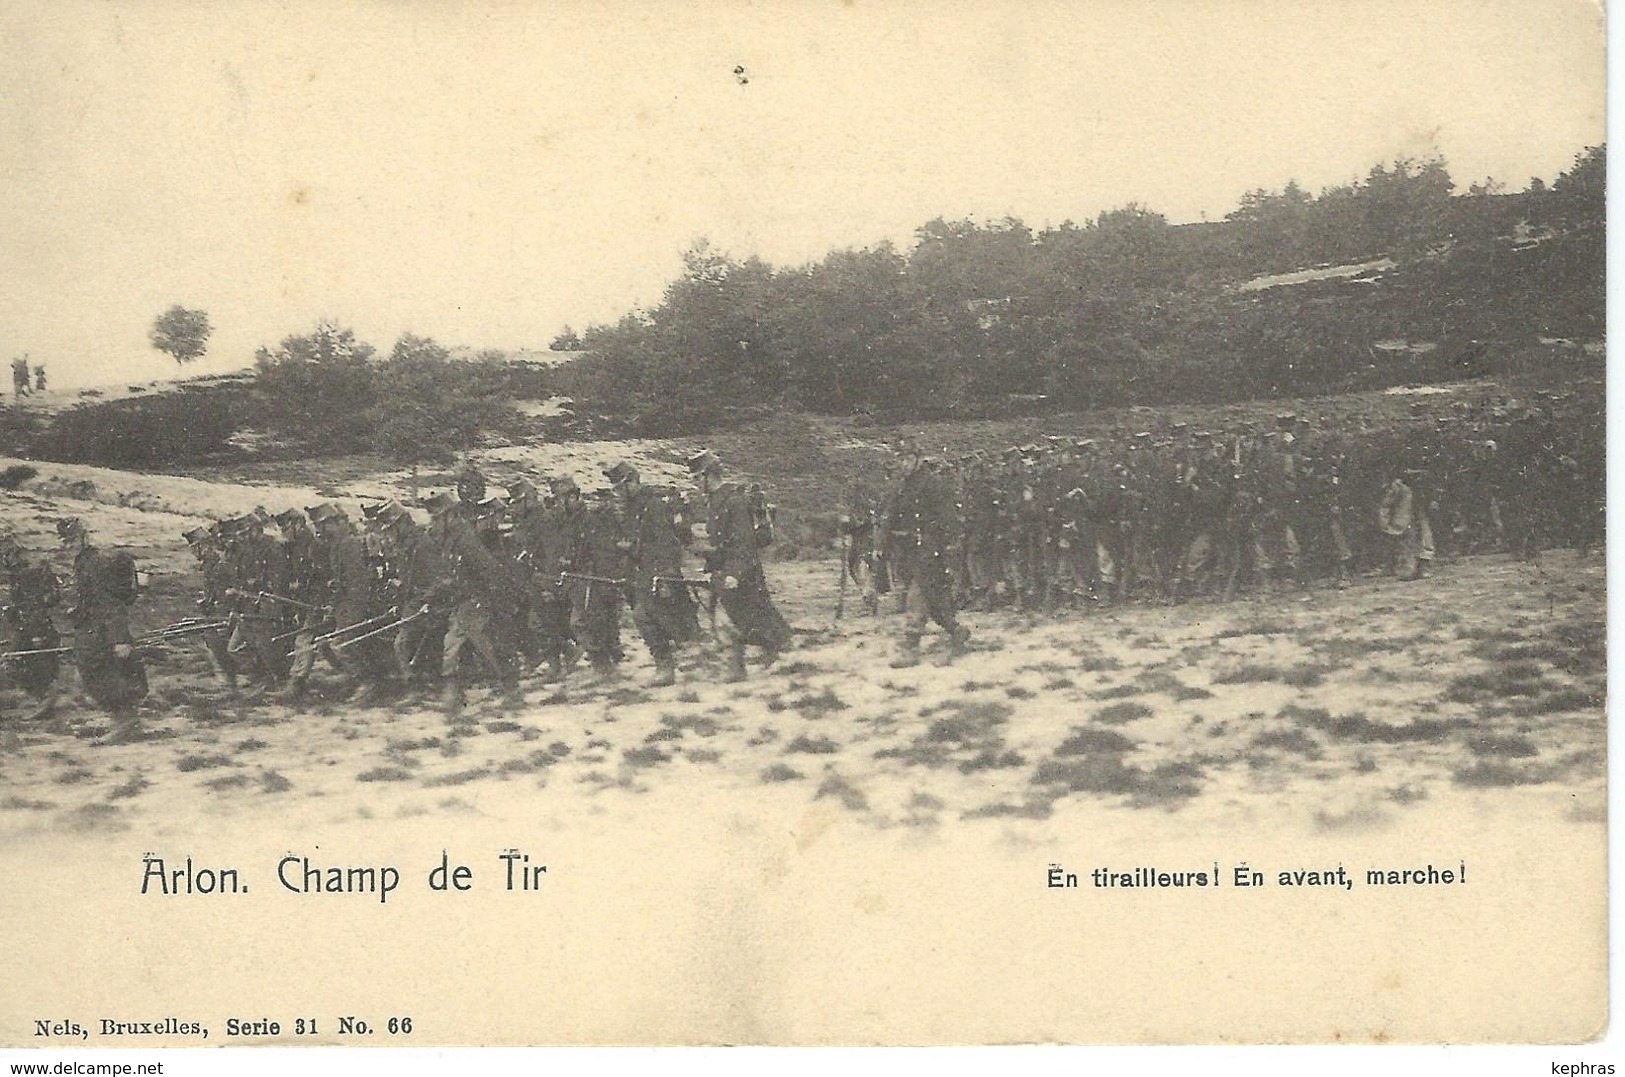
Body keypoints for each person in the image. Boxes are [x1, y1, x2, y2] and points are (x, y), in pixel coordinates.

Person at [688, 449, 792, 681]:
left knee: (740, 620)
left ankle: (756, 662)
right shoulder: (715, 502)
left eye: (697, 478)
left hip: (742, 573)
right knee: (735, 621)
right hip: (725, 571)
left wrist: (734, 574)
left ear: (708, 476)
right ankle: (747, 664)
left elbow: (744, 543)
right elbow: (723, 541)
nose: (695, 483)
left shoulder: (733, 502)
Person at [609, 462, 699, 687]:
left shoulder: (654, 506)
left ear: (633, 481)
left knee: (657, 618)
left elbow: (666, 544)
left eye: (622, 487)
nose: (620, 493)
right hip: (642, 572)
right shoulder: (632, 508)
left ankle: (679, 663)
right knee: (647, 617)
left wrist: (665, 576)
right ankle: (667, 666)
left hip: (658, 572)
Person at [57, 518, 147, 742]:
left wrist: (120, 639)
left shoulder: (93, 564)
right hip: (93, 627)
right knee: (93, 672)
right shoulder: (83, 563)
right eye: (64, 542)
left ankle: (126, 721)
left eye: (71, 541)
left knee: (98, 672)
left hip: (103, 630)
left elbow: (110, 604)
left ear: (83, 538)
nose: (67, 547)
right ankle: (121, 720)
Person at [885, 450, 970, 668]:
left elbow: (948, 516)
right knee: (934, 598)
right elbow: (892, 515)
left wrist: (949, 543)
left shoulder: (932, 483)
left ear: (918, 460)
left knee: (918, 594)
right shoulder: (902, 486)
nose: (903, 464)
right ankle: (956, 630)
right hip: (908, 550)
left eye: (906, 459)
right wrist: (884, 542)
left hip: (930, 548)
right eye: (900, 459)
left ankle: (911, 647)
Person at [0, 536, 63, 724]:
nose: (4, 560)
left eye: (6, 555)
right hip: (24, 625)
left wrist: (35, 633)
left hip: (34, 627)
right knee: (20, 663)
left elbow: (35, 605)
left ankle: (46, 699)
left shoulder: (28, 574)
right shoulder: (18, 573)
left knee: (30, 663)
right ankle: (43, 700)